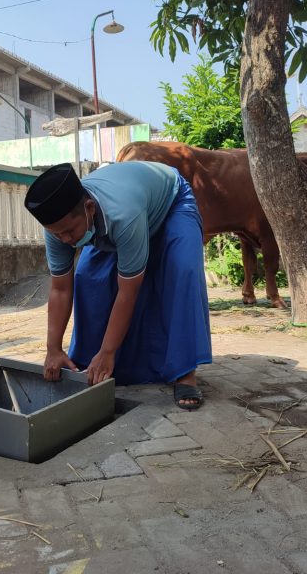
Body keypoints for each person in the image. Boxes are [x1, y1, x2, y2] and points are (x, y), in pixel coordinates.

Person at [24, 161, 212, 409]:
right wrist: (53, 348)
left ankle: (184, 371)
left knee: (182, 270)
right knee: (88, 277)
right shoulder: (59, 227)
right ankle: (93, 359)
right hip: (124, 209)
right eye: (58, 234)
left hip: (171, 203)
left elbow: (128, 292)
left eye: (69, 231)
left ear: (89, 208)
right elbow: (60, 288)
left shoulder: (123, 214)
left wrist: (109, 350)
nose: (66, 240)